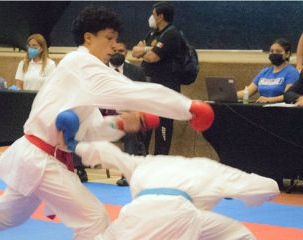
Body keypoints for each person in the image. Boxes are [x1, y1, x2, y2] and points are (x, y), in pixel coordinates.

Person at [0, 6, 214, 240]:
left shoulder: (82, 74)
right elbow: (132, 91)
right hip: (41, 157)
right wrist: (186, 107)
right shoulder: (82, 64)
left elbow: (91, 128)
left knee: (10, 213)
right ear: (89, 38)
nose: (113, 45)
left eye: (116, 39)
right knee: (93, 218)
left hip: (38, 156)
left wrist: (126, 124)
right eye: (109, 38)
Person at [74, 140, 280, 240]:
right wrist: (253, 194)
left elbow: (107, 152)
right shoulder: (211, 169)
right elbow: (268, 186)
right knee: (240, 235)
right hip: (181, 214)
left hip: (134, 212)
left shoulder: (147, 161)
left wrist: (76, 143)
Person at [132, 2, 184, 155]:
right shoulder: (152, 34)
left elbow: (152, 57)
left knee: (163, 127)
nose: (151, 17)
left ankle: (160, 164)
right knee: (146, 126)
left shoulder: (171, 34)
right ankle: (143, 161)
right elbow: (135, 52)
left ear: (160, 16)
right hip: (149, 89)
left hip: (166, 90)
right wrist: (145, 50)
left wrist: (145, 50)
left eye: (153, 14)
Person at [108, 38, 147, 186]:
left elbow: (144, 98)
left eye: (121, 51)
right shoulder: (99, 70)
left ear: (126, 53)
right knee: (80, 124)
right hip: (102, 118)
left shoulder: (137, 72)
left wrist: (136, 113)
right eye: (114, 51)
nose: (117, 54)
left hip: (127, 119)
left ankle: (127, 173)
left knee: (131, 132)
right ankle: (79, 170)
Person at [236, 38, 299, 103]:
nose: (274, 53)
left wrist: (269, 100)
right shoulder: (264, 72)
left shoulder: (291, 72)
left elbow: (289, 95)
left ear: (287, 54)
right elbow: (248, 92)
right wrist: (230, 95)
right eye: (272, 51)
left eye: (278, 51)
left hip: (281, 109)